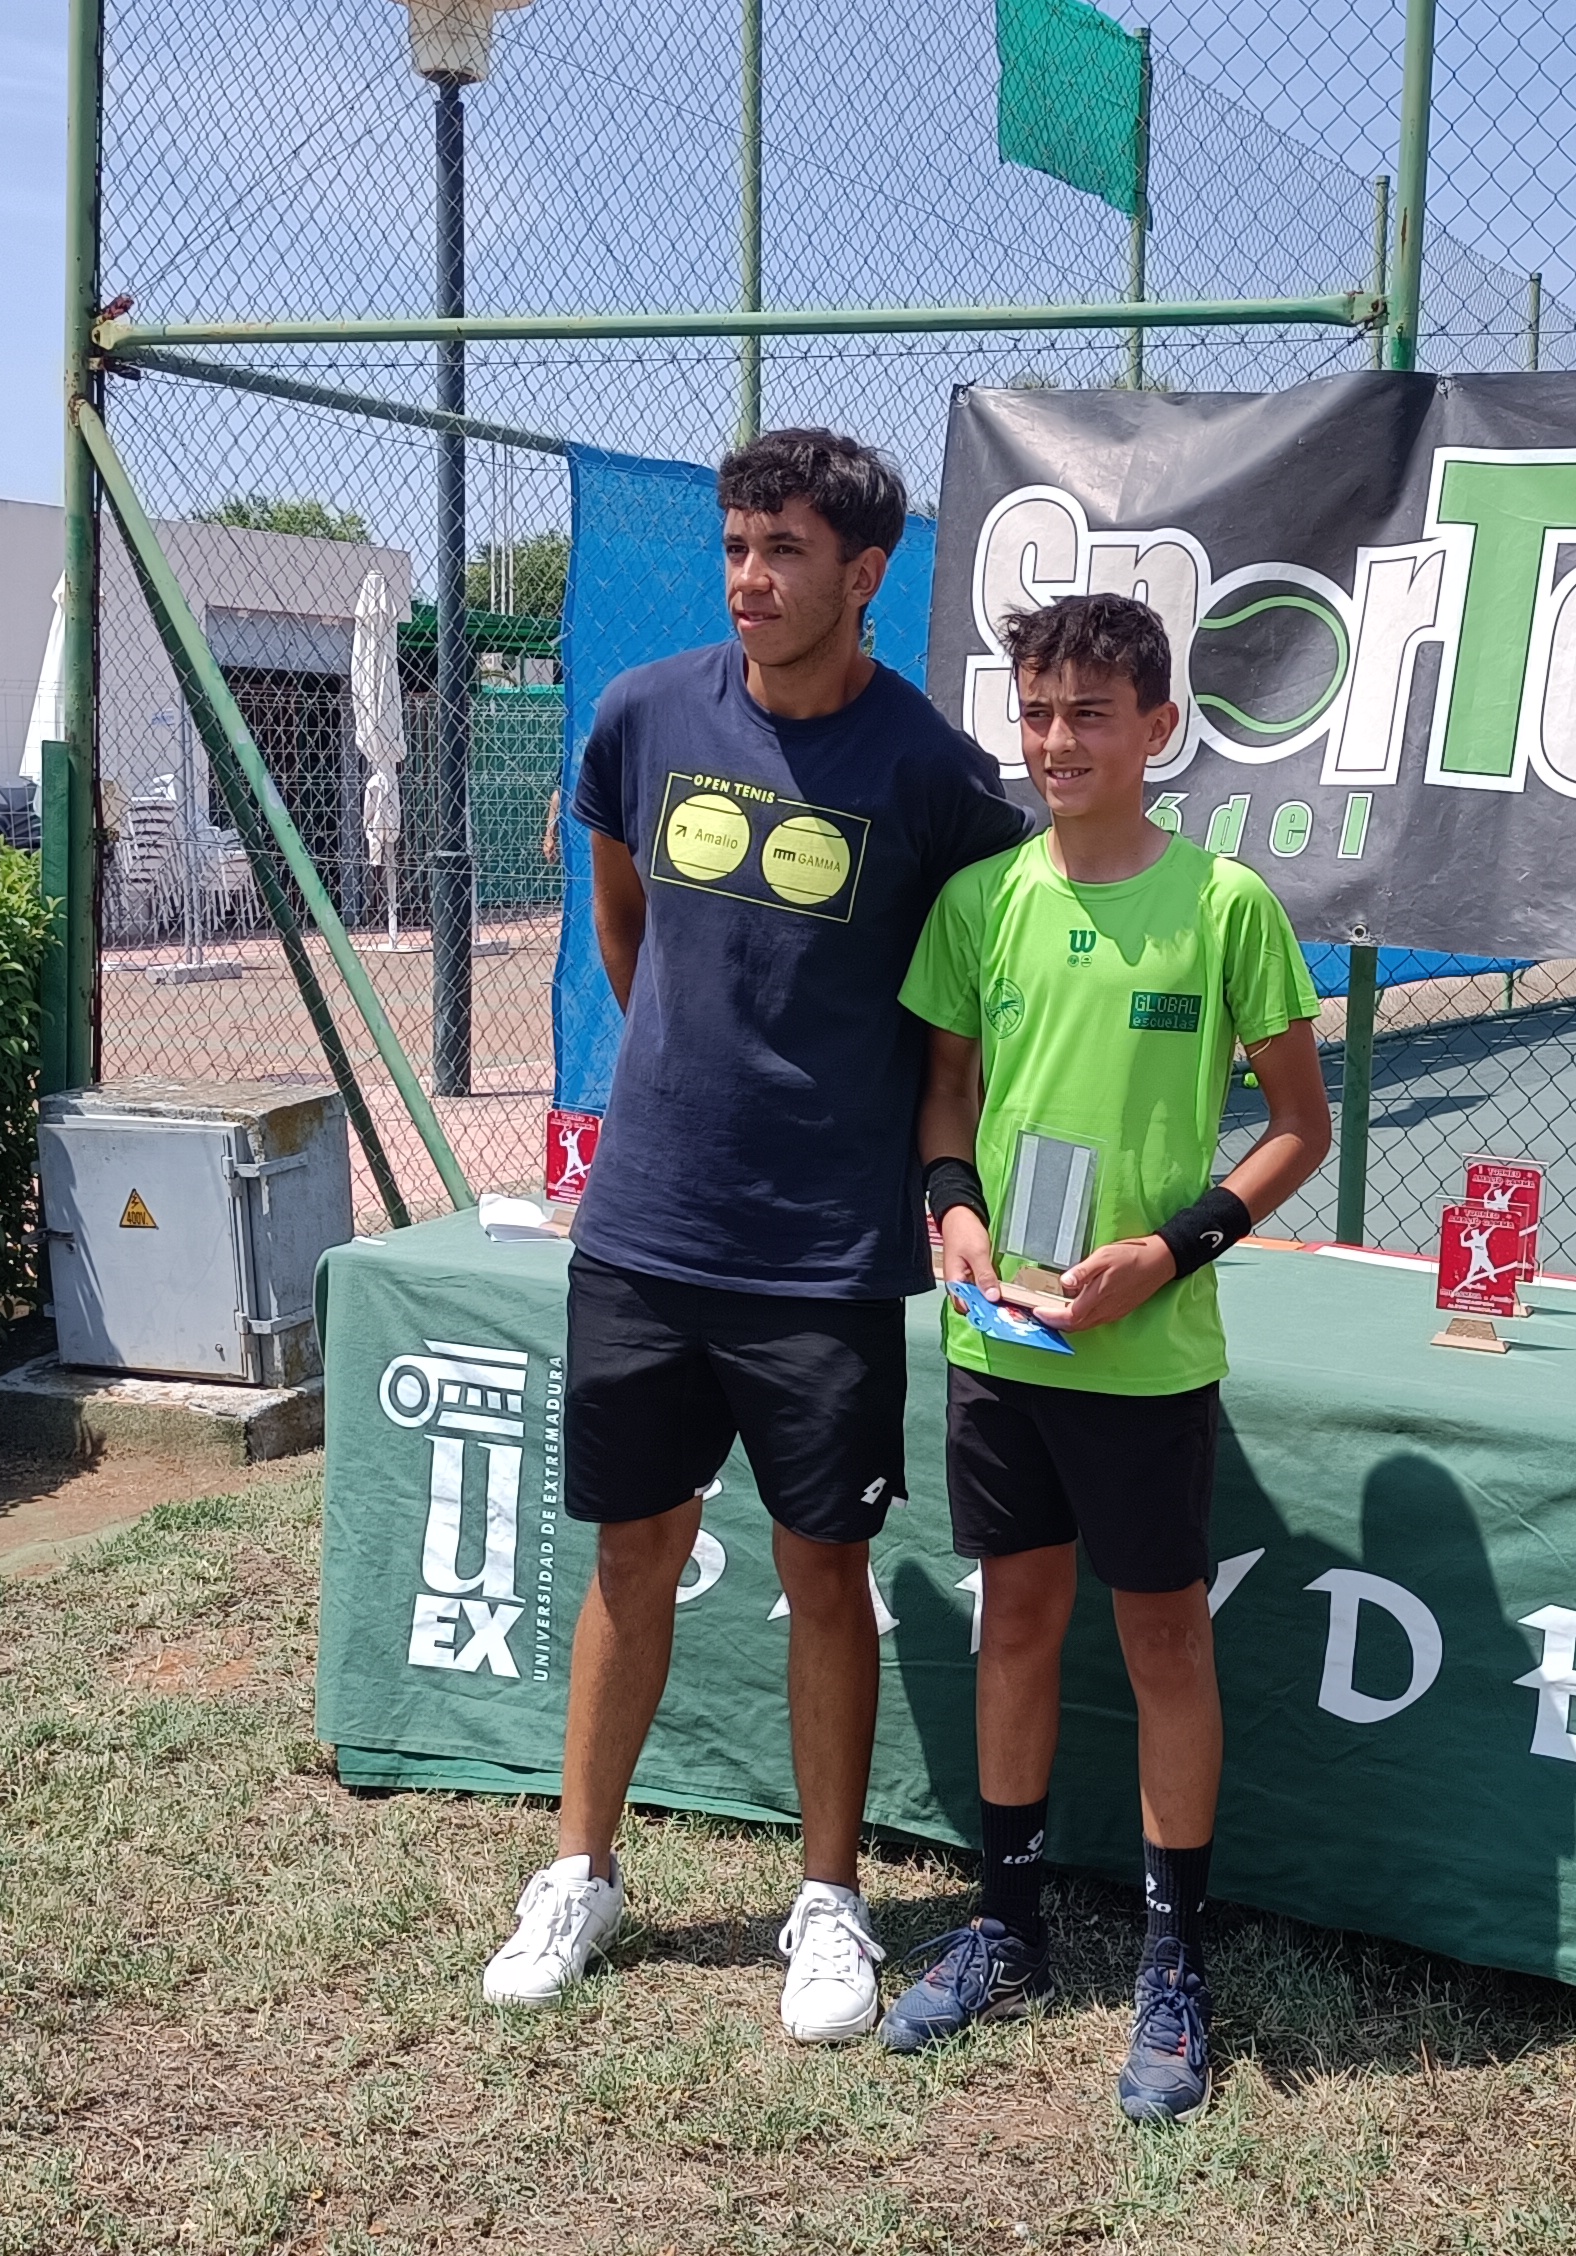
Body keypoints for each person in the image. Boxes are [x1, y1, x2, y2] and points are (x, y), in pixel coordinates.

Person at [480, 429, 1028, 2043]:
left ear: (866, 575)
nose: (749, 577)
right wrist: (689, 1089)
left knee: (823, 1568)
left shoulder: (935, 775)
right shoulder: (645, 713)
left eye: (784, 550)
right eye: (737, 546)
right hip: (646, 1232)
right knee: (630, 1556)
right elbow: (622, 921)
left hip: (828, 1256)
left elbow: (970, 1005)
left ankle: (831, 1901)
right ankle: (579, 1872)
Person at [883, 591, 1330, 2122]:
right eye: (1036, 712)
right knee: (1015, 1622)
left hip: (1148, 1358)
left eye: (1089, 713)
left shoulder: (1227, 906)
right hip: (1001, 1342)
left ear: (1159, 727)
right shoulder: (982, 901)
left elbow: (1299, 1129)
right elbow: (946, 1091)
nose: (1058, 740)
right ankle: (1007, 1928)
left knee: (1165, 1648)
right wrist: (954, 1212)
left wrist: (1169, 1252)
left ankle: (1172, 1965)